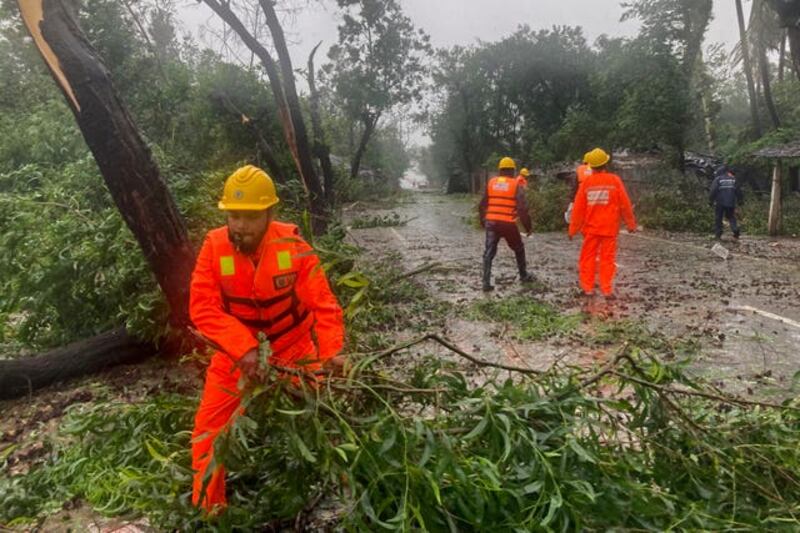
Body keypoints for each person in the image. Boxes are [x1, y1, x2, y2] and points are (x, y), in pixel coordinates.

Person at [189, 165, 345, 512]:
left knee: (315, 416)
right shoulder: (214, 248)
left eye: (250, 216)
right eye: (234, 215)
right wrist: (242, 348)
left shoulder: (293, 246)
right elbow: (202, 308)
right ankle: (210, 510)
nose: (240, 225)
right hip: (235, 354)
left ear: (270, 214)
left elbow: (324, 305)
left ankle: (324, 487)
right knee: (208, 432)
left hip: (293, 348)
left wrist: (332, 351)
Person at [568, 148, 636, 298]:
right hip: (609, 229)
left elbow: (578, 209)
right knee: (607, 259)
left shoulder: (586, 183)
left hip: (591, 229)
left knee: (588, 258)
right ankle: (606, 290)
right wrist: (631, 224)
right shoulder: (614, 180)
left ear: (591, 166)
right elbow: (625, 203)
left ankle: (588, 288)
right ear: (606, 163)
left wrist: (573, 229)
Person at [479, 156, 534, 291]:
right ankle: (523, 275)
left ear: (500, 171)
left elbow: (482, 205)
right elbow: (522, 209)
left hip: (491, 223)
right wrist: (527, 228)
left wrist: (483, 221)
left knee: (489, 252)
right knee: (519, 248)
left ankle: (486, 282)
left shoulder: (491, 183)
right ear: (513, 171)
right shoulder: (516, 185)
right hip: (508, 224)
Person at [709, 164, 743, 240]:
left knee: (718, 218)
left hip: (720, 203)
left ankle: (718, 234)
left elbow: (713, 191)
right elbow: (738, 191)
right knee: (731, 217)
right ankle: (735, 229)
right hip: (731, 202)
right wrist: (740, 200)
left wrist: (710, 201)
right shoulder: (733, 179)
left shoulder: (718, 179)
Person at [565, 154, 593, 223]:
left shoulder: (579, 170)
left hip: (582, 196)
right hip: (595, 197)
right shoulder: (596, 170)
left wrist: (571, 199)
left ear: (584, 162)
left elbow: (574, 186)